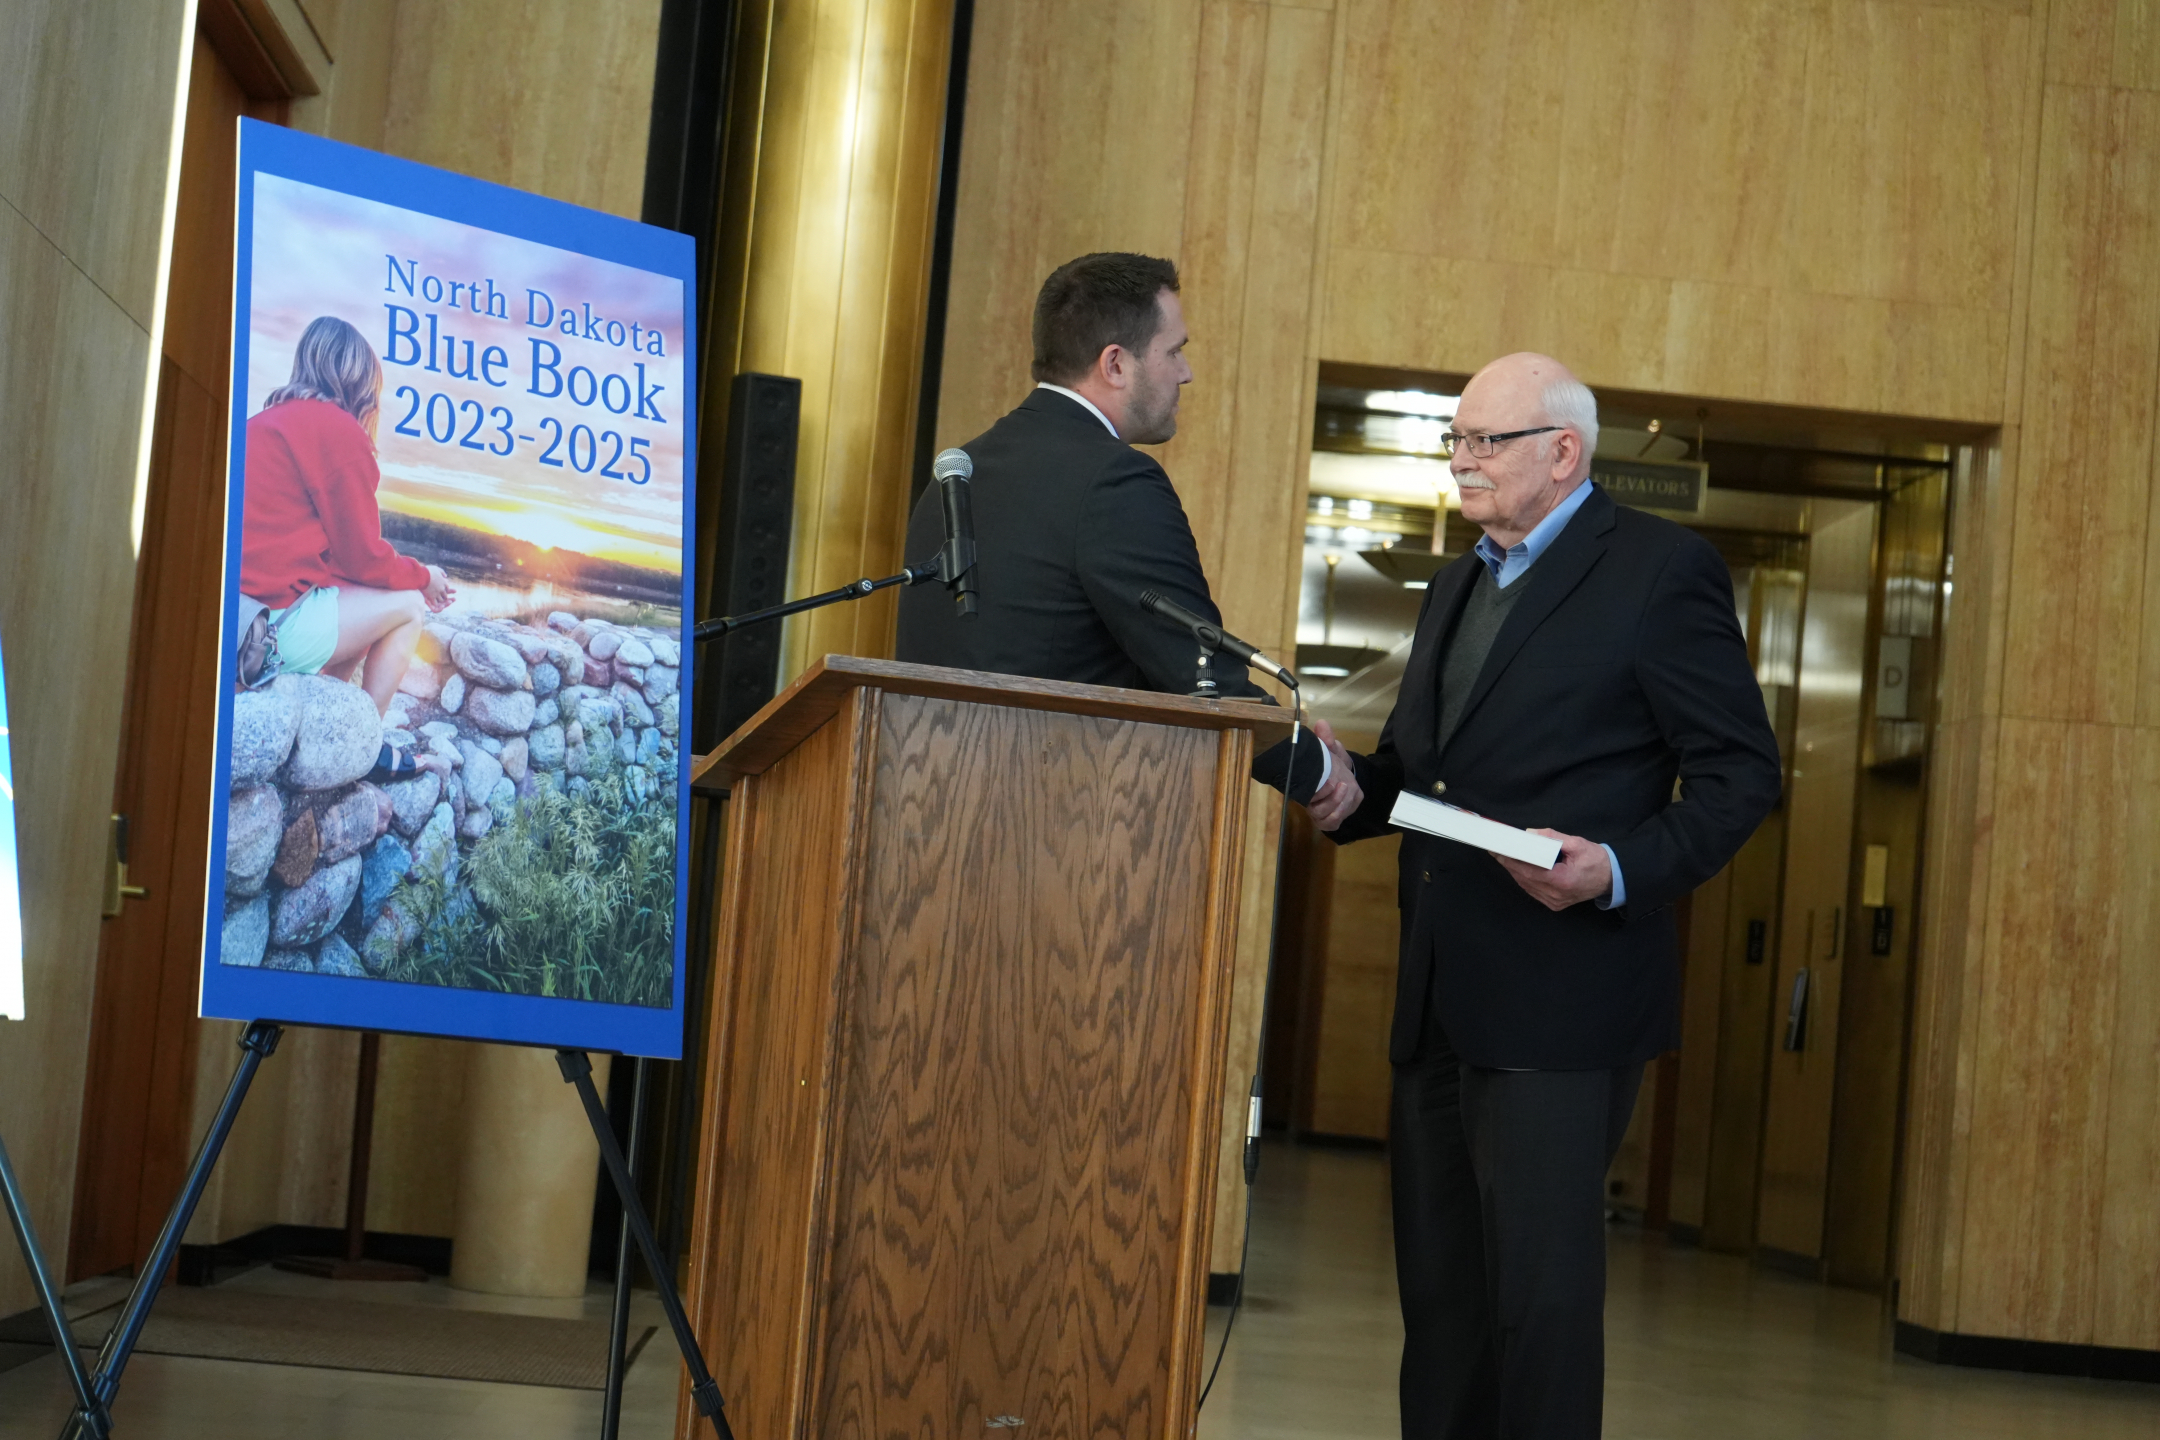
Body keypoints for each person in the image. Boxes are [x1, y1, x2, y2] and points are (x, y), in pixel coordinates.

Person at [1296, 353, 1782, 1439]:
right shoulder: (1461, 579)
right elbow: (1428, 782)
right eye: (1455, 440)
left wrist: (1613, 868)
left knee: (1541, 1310)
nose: (1461, 460)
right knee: (1445, 1310)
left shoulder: (1661, 571)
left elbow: (1742, 775)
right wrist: (1347, 789)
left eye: (1484, 440)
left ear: (1564, 452)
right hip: (1437, 1003)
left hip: (1563, 1003)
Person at [895, 252, 1264, 699]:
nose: (1186, 373)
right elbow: (1199, 673)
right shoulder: (1115, 480)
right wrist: (1320, 766)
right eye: (1174, 351)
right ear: (1115, 365)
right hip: (1059, 767)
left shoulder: (953, 478)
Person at [240, 316, 455, 753]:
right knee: (410, 608)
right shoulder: (339, 433)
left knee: (353, 593)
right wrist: (425, 577)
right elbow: (364, 558)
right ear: (361, 385)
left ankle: (320, 714)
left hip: (232, 618)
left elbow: (336, 562)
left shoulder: (261, 425)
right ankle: (359, 747)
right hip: (263, 636)